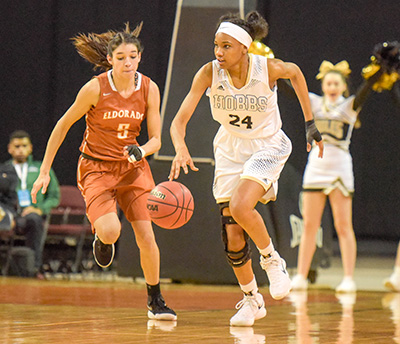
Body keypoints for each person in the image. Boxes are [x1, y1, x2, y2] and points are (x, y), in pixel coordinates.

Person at [169, 11, 323, 326]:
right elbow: (178, 121)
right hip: (229, 148)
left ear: (244, 48)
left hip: (267, 145)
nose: (218, 52)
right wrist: (181, 147)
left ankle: (272, 260)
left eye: (226, 46)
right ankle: (252, 299)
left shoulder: (267, 70)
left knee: (240, 205)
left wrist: (310, 123)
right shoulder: (209, 73)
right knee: (232, 234)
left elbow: (295, 73)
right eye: (216, 45)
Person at [30, 22, 176, 321]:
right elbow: (62, 126)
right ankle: (101, 237)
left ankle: (155, 299)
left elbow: (157, 139)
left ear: (140, 58)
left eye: (133, 56)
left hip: (132, 168)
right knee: (112, 231)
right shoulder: (95, 88)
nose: (127, 62)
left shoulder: (149, 88)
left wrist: (142, 151)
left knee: (146, 235)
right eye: (121, 57)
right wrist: (44, 170)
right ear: (110, 59)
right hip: (96, 167)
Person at [291, 41, 400, 294]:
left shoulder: (349, 106)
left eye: (336, 84)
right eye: (328, 83)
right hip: (316, 167)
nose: (331, 87)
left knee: (343, 226)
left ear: (343, 86)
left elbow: (368, 87)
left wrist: (380, 71)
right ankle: (301, 275)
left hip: (340, 167)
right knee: (309, 225)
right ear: (322, 85)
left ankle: (349, 278)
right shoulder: (313, 103)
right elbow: (290, 87)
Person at [5, 130, 60, 278]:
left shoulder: (42, 169)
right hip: (9, 214)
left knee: (34, 220)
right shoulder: (3, 170)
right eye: (17, 146)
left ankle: (34, 268)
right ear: (10, 148)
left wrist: (40, 210)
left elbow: (54, 197)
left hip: (32, 214)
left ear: (30, 148)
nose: (20, 149)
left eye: (24, 146)